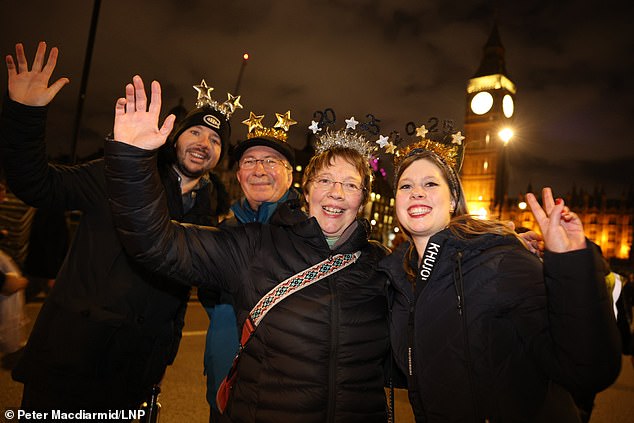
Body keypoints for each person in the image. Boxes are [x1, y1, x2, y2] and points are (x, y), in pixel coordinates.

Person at [104, 74, 390, 423]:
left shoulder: (382, 266)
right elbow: (156, 242)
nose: (336, 193)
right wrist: (133, 161)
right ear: (308, 189)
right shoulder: (253, 244)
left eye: (350, 184)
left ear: (363, 199)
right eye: (325, 181)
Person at [0, 42, 232, 413]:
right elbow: (36, 184)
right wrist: (25, 114)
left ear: (221, 157)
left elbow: (174, 301)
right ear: (174, 138)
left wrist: (161, 360)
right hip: (69, 365)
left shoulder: (207, 215)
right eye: (196, 133)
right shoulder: (120, 173)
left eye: (216, 140)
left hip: (132, 377)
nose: (204, 143)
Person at [378, 128, 622, 422]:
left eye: (430, 183)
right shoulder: (400, 279)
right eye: (405, 186)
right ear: (397, 202)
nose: (416, 192)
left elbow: (586, 369)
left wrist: (570, 264)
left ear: (454, 199)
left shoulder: (502, 260)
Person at [199, 112, 299, 422]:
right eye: (249, 162)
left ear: (290, 176)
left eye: (271, 161)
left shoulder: (308, 235)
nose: (259, 170)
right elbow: (208, 293)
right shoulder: (222, 233)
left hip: (286, 391)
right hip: (225, 382)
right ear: (239, 176)